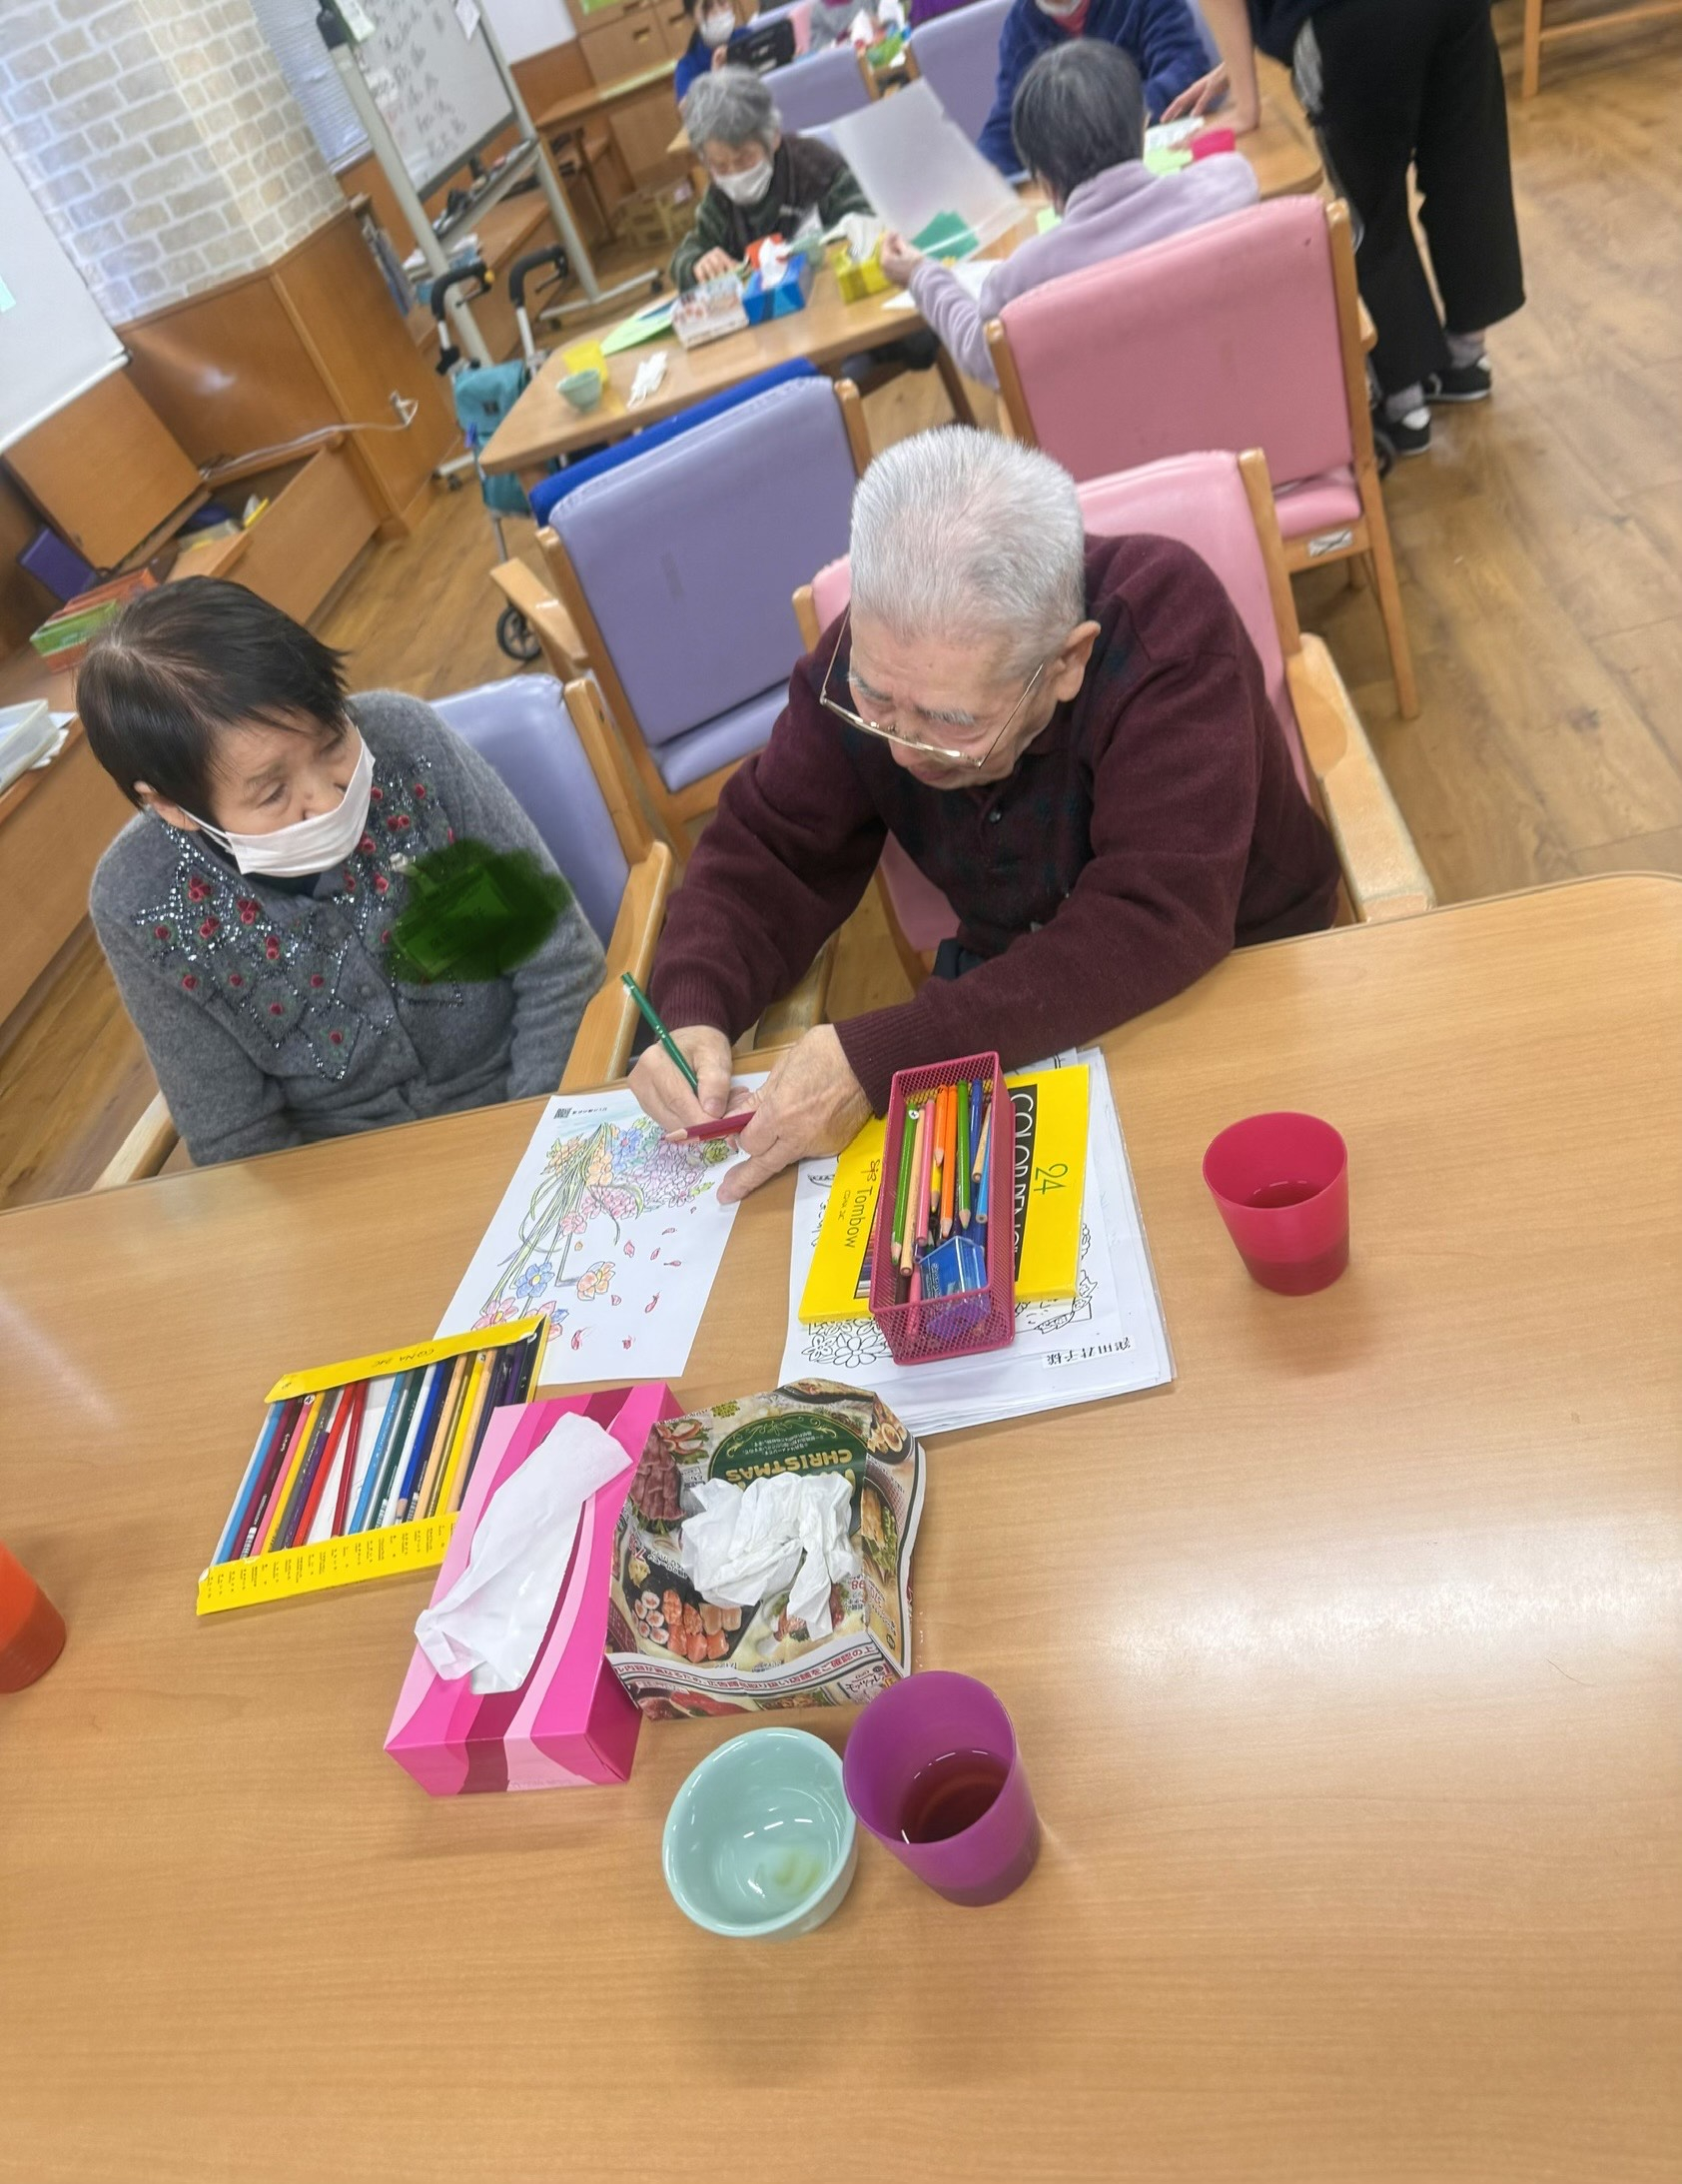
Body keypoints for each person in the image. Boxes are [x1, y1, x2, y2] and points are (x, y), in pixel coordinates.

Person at [629, 430, 1339, 1201]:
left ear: (1066, 664)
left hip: (1244, 968)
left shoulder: (1168, 626)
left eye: (952, 722)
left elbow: (1156, 918)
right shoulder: (881, 654)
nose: (901, 751)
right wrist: (694, 1004)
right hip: (1015, 992)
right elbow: (770, 849)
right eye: (876, 700)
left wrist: (883, 1060)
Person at [80, 579, 605, 1167]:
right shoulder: (140, 899)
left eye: (332, 743)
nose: (329, 801)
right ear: (172, 806)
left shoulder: (406, 746)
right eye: (273, 793)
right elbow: (237, 1140)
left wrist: (537, 1144)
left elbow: (558, 963)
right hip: (350, 1179)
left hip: (531, 1106)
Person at [1166, 0, 1524, 460]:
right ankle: (1467, 357)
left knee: (1368, 206)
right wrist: (1235, 65)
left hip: (1350, 19)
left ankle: (1404, 405)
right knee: (1467, 167)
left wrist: (1246, 101)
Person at [882, 40, 1257, 387]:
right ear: (1142, 130)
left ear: (1043, 181)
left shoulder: (1021, 280)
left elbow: (981, 354)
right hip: (1247, 410)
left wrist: (921, 274)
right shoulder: (1230, 186)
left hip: (1117, 437)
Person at [671, 67, 872, 291]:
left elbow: (865, 217)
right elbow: (685, 255)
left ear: (773, 137)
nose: (734, 174)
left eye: (745, 158)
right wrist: (697, 264)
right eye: (720, 166)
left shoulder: (815, 168)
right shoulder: (719, 198)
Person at [977, 0, 1209, 174]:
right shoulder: (1019, 24)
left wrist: (1105, 123)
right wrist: (984, 173)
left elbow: (1186, 69)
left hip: (1164, 161)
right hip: (1078, 187)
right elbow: (1010, 118)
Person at [673, 0, 746, 103]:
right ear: (692, 18)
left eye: (722, 2)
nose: (718, 12)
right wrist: (715, 77)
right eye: (707, 7)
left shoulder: (746, 36)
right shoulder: (687, 67)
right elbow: (687, 107)